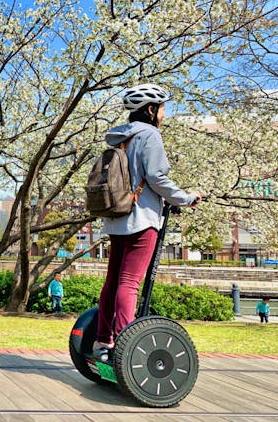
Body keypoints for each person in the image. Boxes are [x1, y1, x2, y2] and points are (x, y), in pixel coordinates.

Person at [93, 83, 201, 356]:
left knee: (113, 281)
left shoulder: (120, 138)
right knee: (130, 282)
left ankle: (103, 340)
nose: (164, 114)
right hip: (141, 219)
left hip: (117, 218)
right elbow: (156, 177)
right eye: (162, 108)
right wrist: (185, 198)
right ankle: (125, 346)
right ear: (150, 110)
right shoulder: (150, 135)